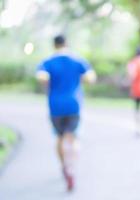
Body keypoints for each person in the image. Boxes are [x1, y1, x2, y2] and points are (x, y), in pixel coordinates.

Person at [36, 35, 96, 192]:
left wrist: (50, 82)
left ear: (54, 45)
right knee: (72, 138)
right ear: (66, 44)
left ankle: (64, 166)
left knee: (60, 137)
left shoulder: (47, 62)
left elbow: (41, 77)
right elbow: (91, 78)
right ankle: (72, 169)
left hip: (55, 106)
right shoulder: (77, 61)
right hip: (73, 105)